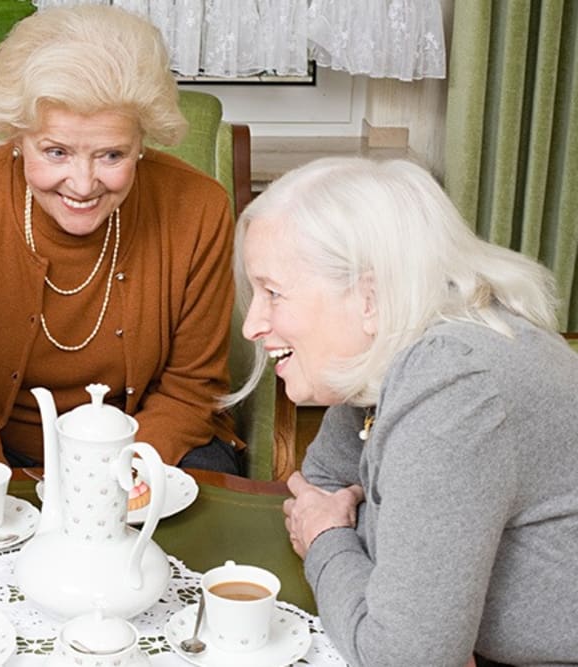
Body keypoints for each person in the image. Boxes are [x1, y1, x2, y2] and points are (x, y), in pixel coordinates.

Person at [230, 156, 578, 666]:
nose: (252, 326)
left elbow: (405, 658)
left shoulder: (452, 387)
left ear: (368, 297)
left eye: (273, 293)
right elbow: (324, 482)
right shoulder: (400, 348)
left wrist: (328, 539)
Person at [0, 4, 241, 481]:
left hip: (145, 445)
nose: (83, 183)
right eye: (56, 152)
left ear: (143, 142)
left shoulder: (200, 208)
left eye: (112, 154)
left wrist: (114, 482)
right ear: (16, 137)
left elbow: (192, 388)